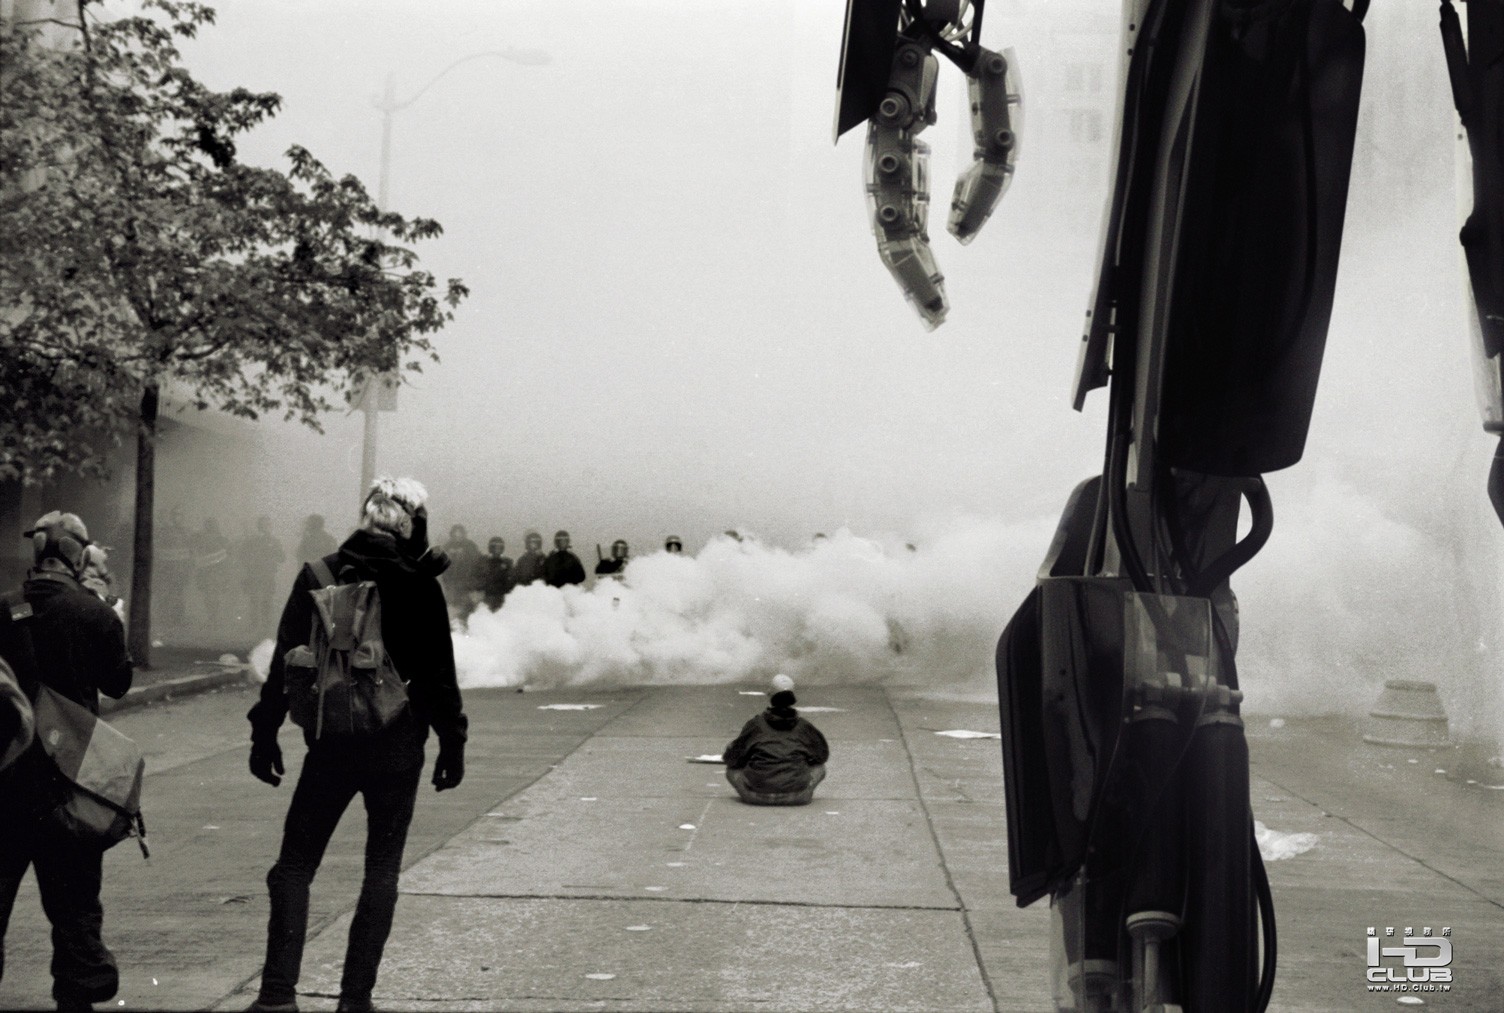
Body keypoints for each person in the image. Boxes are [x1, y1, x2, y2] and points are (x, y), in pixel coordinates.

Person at [245, 477, 467, 1013]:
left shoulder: (318, 574)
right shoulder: (420, 584)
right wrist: (452, 742)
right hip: (398, 744)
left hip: (331, 742)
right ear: (413, 524)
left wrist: (265, 732)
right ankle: (355, 1000)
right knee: (381, 871)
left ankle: (276, 995)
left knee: (294, 866)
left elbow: (286, 661)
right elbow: (439, 675)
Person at [0, 511, 133, 1011]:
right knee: (75, 912)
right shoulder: (95, 614)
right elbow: (118, 683)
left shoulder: (4, 608)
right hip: (70, 784)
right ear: (80, 556)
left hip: (7, 778)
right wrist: (114, 620)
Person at [722, 674, 829, 806]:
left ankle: (759, 789)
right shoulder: (804, 727)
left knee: (732, 771)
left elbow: (732, 759)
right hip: (797, 796)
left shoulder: (755, 725)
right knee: (820, 768)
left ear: (770, 696)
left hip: (757, 796)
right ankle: (798, 790)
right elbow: (821, 756)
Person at [238, 517, 287, 635]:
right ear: (259, 526)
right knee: (254, 599)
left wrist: (271, 555)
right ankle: (255, 624)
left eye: (267, 525)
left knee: (266, 599)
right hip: (254, 574)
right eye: (263, 525)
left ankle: (265, 624)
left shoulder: (273, 541)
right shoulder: (251, 541)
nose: (266, 528)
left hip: (268, 574)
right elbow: (242, 555)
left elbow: (282, 557)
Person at [190, 516, 232, 632]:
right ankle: (212, 619)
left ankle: (214, 619)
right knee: (208, 597)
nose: (211, 527)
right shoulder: (200, 539)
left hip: (217, 573)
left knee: (213, 596)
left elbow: (228, 555)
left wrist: (225, 574)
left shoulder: (221, 539)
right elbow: (196, 551)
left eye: (212, 525)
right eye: (209, 525)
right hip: (205, 573)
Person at [472, 537, 514, 611]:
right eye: (495, 547)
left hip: (502, 595)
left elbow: (512, 579)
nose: (497, 549)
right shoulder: (483, 561)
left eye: (499, 547)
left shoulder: (507, 562)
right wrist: (479, 589)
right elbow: (475, 577)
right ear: (491, 548)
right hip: (486, 594)